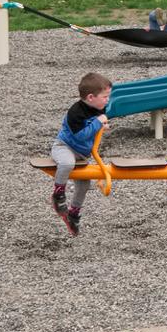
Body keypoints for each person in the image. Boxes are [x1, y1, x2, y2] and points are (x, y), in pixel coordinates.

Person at [49, 73, 112, 236]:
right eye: (105, 97)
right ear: (91, 97)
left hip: (82, 154)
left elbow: (94, 126)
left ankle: (73, 213)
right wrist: (98, 122)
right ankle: (58, 195)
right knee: (67, 164)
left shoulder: (99, 107)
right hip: (65, 147)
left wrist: (100, 126)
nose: (107, 100)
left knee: (84, 184)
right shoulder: (75, 112)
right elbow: (81, 135)